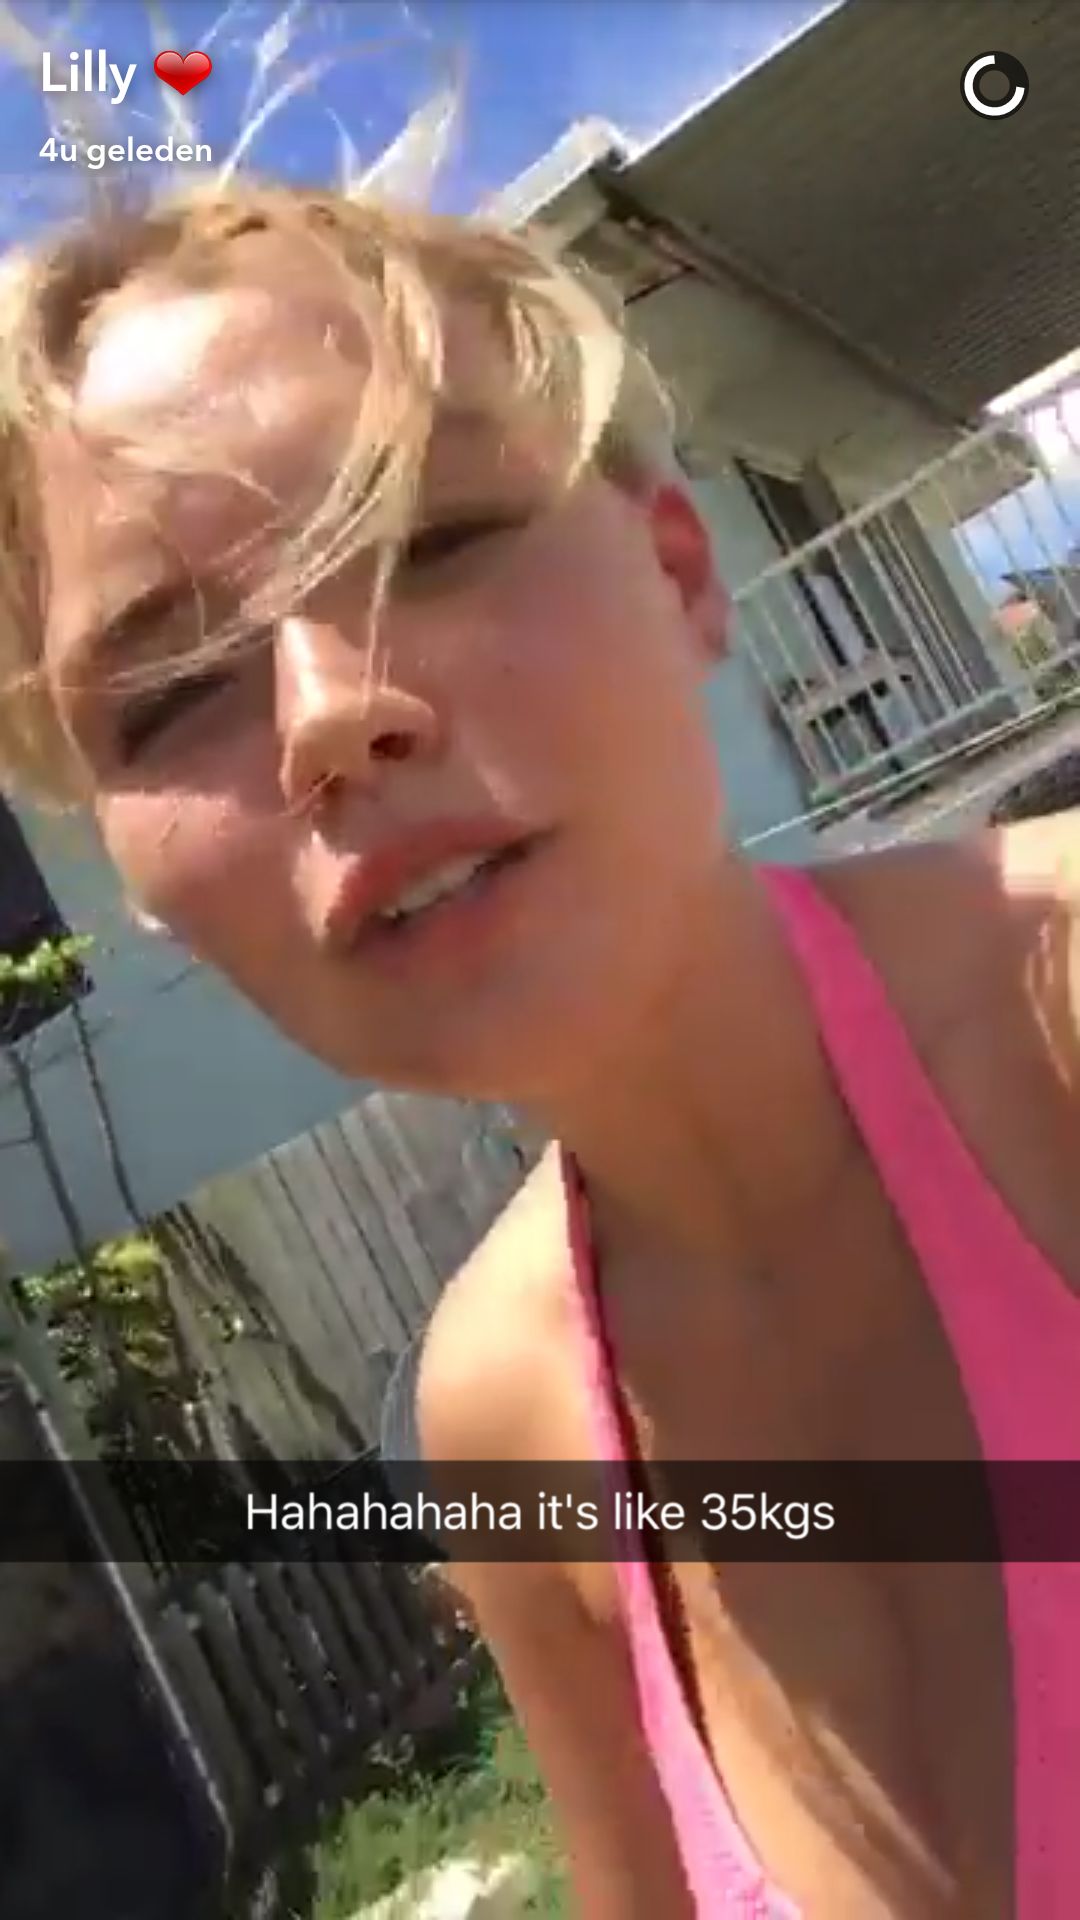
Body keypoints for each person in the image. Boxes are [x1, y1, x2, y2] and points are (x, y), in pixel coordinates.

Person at [1, 176, 1079, 1920]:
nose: (328, 716)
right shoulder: (502, 1416)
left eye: (425, 539)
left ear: (679, 573)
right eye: (171, 694)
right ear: (133, 887)